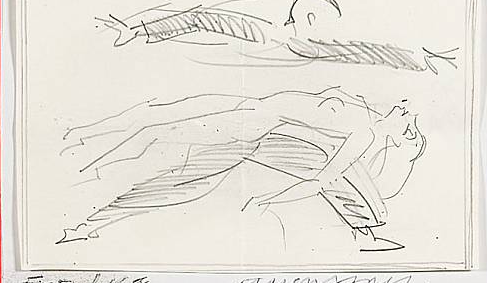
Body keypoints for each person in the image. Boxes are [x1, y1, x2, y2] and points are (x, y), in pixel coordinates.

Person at [58, 87, 426, 251]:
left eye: (409, 127)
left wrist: (270, 199)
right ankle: (84, 154)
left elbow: (323, 180)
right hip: (250, 111)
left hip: (251, 126)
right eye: (409, 116)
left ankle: (87, 219)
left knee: (179, 167)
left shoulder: (362, 135)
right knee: (163, 132)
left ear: (400, 139)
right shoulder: (363, 113)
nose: (406, 112)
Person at [96, 0, 457, 74]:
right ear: (310, 18)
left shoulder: (323, 45)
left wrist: (419, 59)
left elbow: (366, 49)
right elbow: (203, 18)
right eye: (332, 21)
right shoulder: (268, 34)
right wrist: (139, 30)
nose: (338, 31)